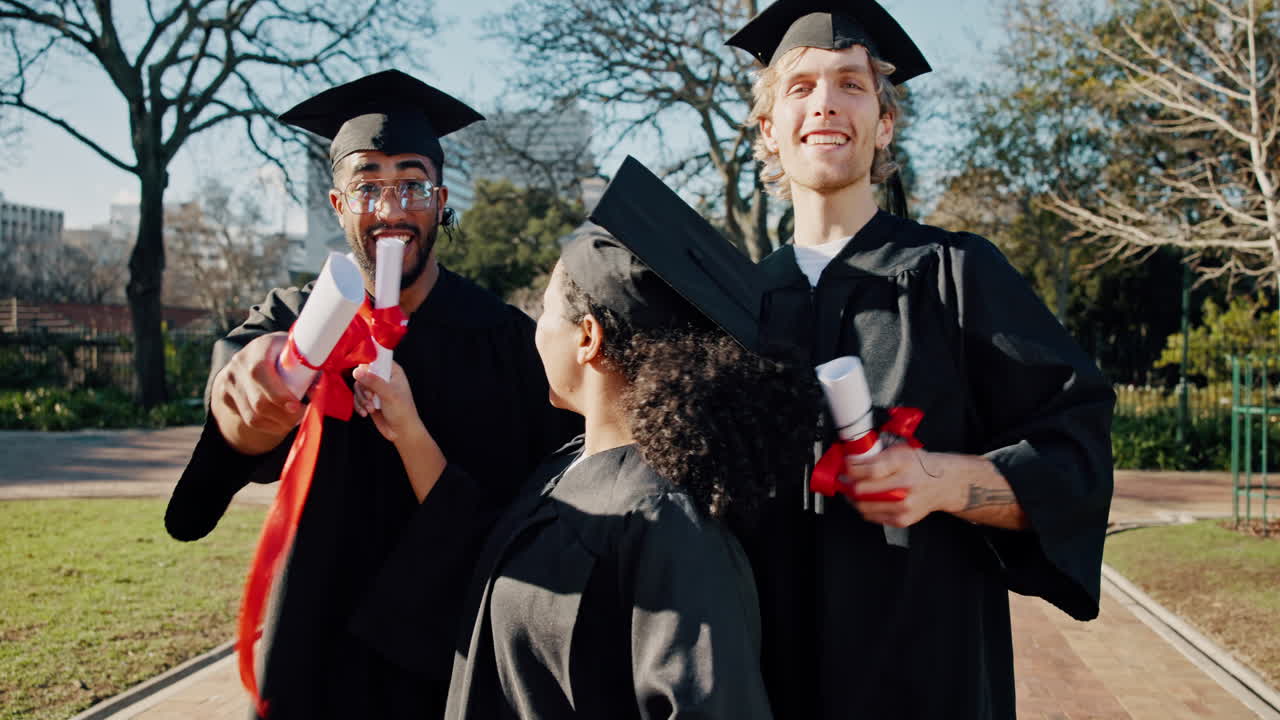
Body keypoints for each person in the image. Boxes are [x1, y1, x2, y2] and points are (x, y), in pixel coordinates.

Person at [723, 1, 1116, 717]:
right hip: (765, 682)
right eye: (801, 87)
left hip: (926, 677)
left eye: (851, 83)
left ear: (885, 123)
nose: (826, 105)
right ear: (767, 131)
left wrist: (942, 480)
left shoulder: (957, 274)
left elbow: (1077, 462)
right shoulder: (736, 305)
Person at [163, 70, 579, 719]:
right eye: (368, 187)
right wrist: (254, 393)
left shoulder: (506, 341)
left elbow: (550, 513)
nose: (390, 209)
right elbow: (238, 393)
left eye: (412, 184)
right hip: (314, 653)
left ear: (441, 199)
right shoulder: (295, 320)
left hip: (456, 663)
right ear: (337, 204)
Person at [352, 157, 820, 718]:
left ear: (588, 338)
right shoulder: (570, 467)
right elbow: (482, 544)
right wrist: (407, 429)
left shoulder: (668, 524)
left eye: (546, 311)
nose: (536, 329)